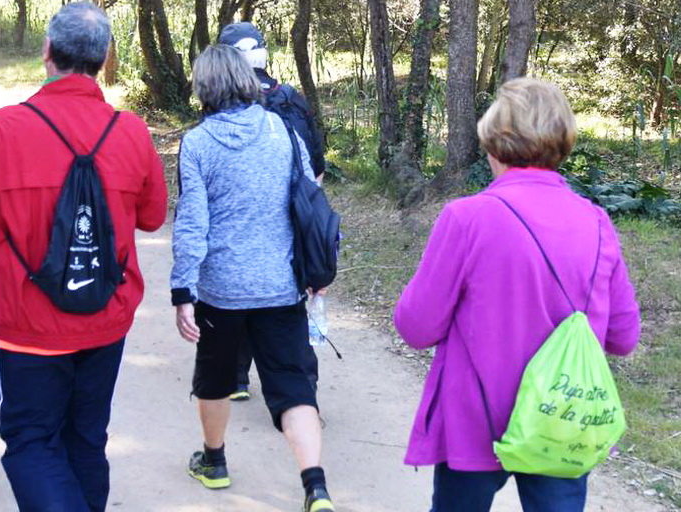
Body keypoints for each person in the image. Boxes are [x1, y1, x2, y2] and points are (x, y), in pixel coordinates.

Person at [0, 1, 168, 511]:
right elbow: (153, 217)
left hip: (28, 325)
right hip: (105, 320)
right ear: (104, 56)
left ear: (47, 52)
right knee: (86, 439)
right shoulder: (130, 131)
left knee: (31, 442)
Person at [394, 78, 641, 512]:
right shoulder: (597, 222)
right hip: (560, 420)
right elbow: (623, 336)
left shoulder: (466, 218)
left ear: (492, 143)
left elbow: (416, 327)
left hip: (475, 420)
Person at [171, 44, 335, 512]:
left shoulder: (198, 143)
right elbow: (310, 199)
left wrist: (184, 290)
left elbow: (192, 222)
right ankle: (316, 487)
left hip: (220, 291)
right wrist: (317, 266)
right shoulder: (282, 130)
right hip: (281, 284)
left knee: (215, 379)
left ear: (204, 87)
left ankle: (214, 461)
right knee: (292, 386)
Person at [216, 21, 326, 402]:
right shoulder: (291, 97)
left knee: (240, 294)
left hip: (246, 218)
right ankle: (302, 381)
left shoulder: (228, 107)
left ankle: (236, 378)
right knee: (288, 300)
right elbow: (317, 165)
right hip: (295, 217)